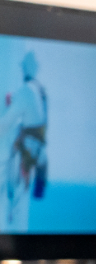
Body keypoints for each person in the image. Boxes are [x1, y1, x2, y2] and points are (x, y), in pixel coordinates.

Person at [0, 51, 47, 232]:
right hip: (34, 150)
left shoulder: (27, 91)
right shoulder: (38, 90)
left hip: (28, 149)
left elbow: (7, 122)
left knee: (13, 185)